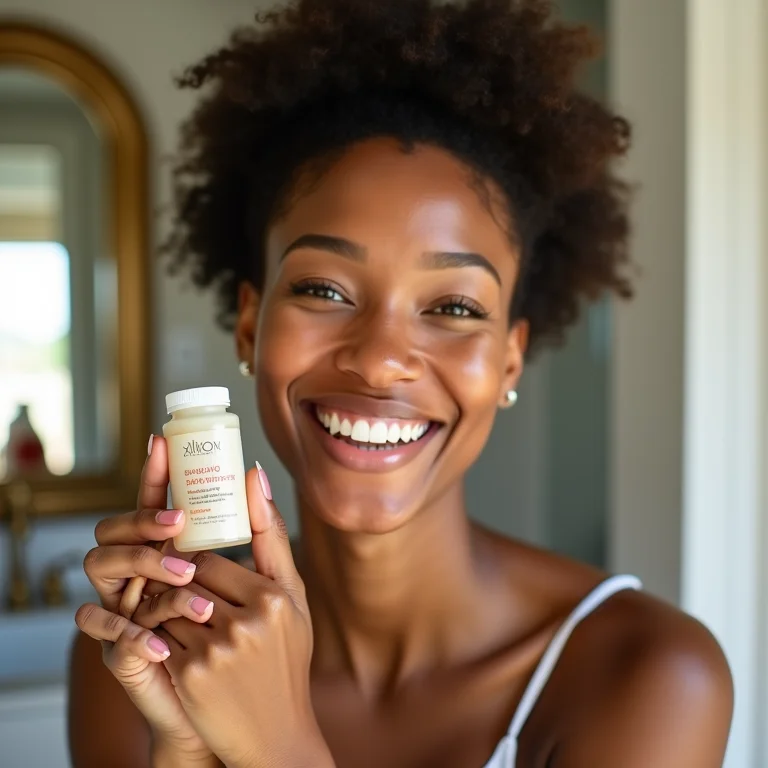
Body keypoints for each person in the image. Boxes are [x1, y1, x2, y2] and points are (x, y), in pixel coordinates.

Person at [68, 1, 734, 766]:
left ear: (509, 361)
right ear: (250, 325)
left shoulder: (648, 676)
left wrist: (279, 748)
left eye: (453, 306)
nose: (382, 359)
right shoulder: (142, 652)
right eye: (323, 289)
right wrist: (183, 748)